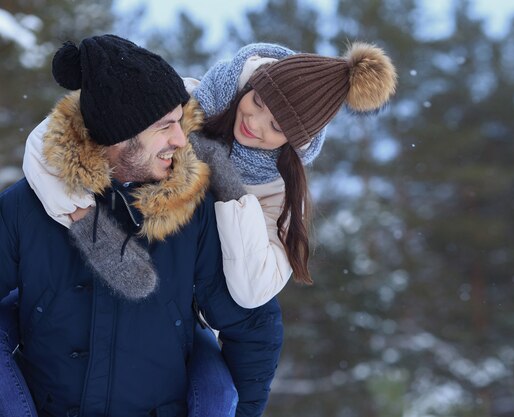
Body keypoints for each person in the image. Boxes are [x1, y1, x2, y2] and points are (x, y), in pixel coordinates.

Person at [0, 34, 282, 417]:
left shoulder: (196, 213)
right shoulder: (25, 207)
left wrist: (245, 412)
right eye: (165, 127)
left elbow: (251, 325)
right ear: (120, 132)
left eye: (181, 123)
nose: (181, 140)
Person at [19, 42, 398, 309]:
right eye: (259, 102)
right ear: (250, 86)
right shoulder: (181, 99)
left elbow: (253, 291)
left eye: (277, 127)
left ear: (295, 142)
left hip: (178, 310)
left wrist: (231, 191)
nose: (254, 122)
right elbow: (50, 139)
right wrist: (89, 225)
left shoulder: (279, 190)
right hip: (79, 282)